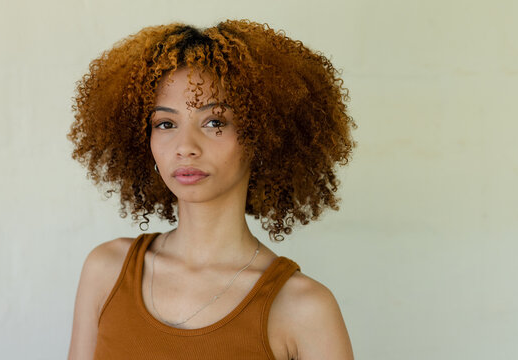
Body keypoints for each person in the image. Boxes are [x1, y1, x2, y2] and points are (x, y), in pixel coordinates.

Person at [67, 19, 357, 360]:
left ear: (262, 135)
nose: (185, 146)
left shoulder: (303, 308)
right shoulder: (107, 271)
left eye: (215, 122)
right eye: (165, 124)